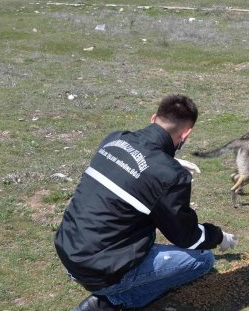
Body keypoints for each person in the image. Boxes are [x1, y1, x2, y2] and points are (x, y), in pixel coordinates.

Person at [54, 94, 238, 311]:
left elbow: (131, 167)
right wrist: (219, 237)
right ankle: (112, 301)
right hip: (99, 270)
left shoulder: (115, 139)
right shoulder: (169, 176)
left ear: (153, 118)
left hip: (67, 249)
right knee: (203, 260)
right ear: (186, 133)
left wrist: (169, 161)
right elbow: (187, 237)